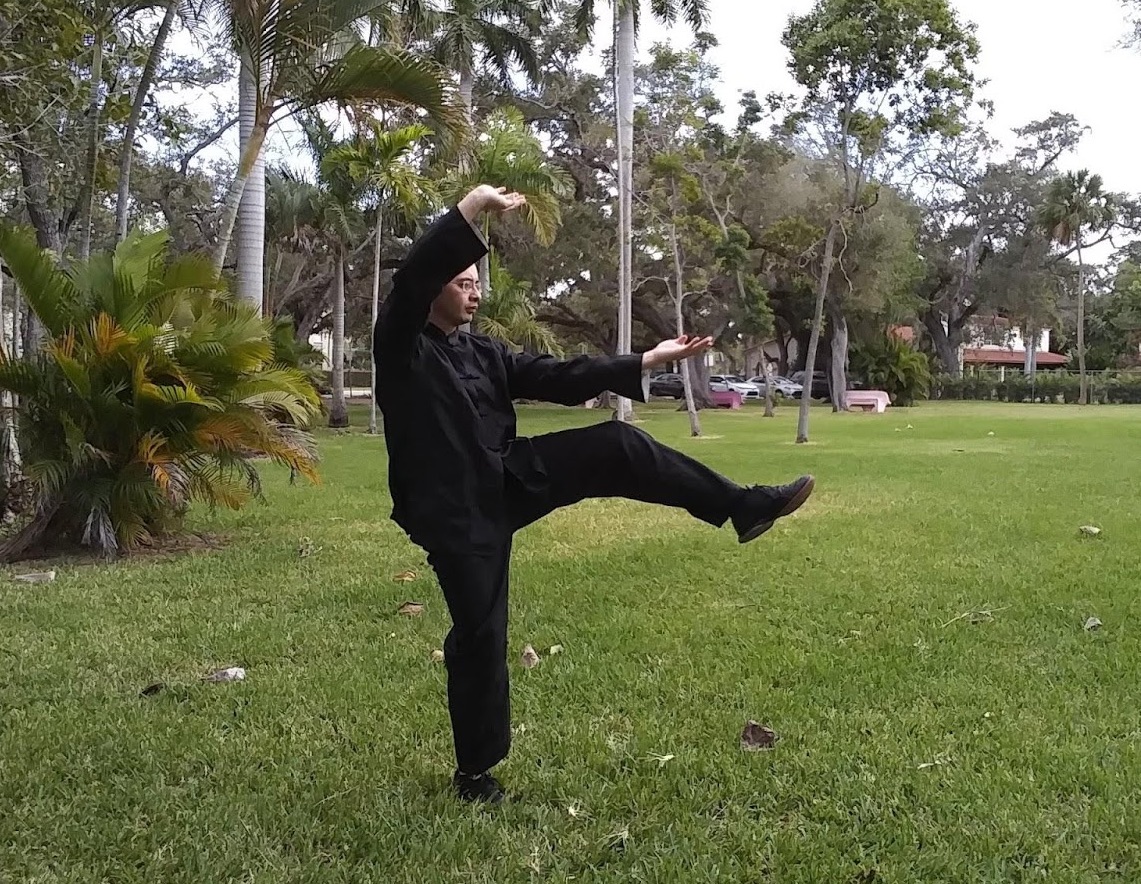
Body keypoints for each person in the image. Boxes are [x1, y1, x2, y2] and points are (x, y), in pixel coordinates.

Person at [373, 184, 815, 804]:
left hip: (508, 476)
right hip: (453, 511)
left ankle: (742, 506)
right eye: (463, 281)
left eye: (478, 282)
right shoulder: (400, 346)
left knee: (617, 444)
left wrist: (644, 361)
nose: (474, 291)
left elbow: (557, 377)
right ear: (437, 285)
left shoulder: (484, 350)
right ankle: (475, 772)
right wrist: (470, 211)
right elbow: (411, 284)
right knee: (480, 632)